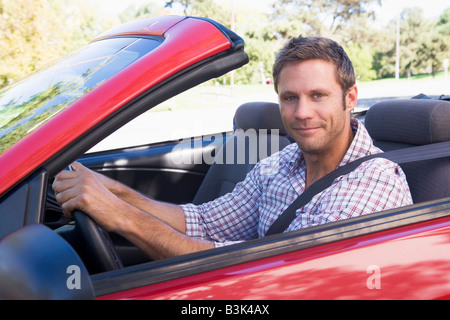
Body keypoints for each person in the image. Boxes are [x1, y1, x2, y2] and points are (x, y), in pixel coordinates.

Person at [53, 36, 413, 260]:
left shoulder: (372, 185)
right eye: (290, 98)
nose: (302, 112)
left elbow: (268, 269)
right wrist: (113, 191)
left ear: (350, 97)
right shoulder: (283, 162)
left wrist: (122, 217)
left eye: (318, 96)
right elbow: (205, 222)